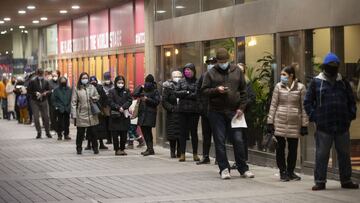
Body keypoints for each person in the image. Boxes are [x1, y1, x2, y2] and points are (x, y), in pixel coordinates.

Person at [304, 53, 359, 190]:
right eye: (331, 66)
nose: (333, 69)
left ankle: (346, 180)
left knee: (344, 154)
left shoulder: (343, 82)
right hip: (324, 126)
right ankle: (320, 181)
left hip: (342, 125)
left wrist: (350, 115)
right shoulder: (316, 82)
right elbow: (307, 102)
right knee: (322, 154)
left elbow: (351, 100)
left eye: (335, 67)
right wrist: (314, 117)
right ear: (325, 67)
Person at [201, 48, 254, 179]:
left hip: (234, 112)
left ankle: (243, 168)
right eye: (220, 61)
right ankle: (224, 168)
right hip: (216, 112)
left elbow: (244, 91)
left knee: (238, 140)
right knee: (219, 141)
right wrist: (216, 90)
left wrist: (242, 108)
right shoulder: (210, 73)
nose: (223, 63)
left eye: (225, 61)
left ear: (228, 60)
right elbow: (204, 91)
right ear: (217, 61)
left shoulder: (237, 71)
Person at [267, 65, 308, 181]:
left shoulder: (301, 88)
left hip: (294, 122)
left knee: (293, 149)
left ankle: (291, 172)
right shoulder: (278, 87)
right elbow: (273, 105)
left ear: (291, 76)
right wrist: (270, 122)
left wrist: (304, 124)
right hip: (279, 121)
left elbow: (304, 107)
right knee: (280, 148)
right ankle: (282, 171)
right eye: (281, 74)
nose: (281, 77)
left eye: (284, 75)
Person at [231, 63, 256, 169]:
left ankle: (242, 160)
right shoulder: (232, 83)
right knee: (236, 139)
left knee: (242, 139)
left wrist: (242, 107)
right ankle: (238, 160)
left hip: (244, 114)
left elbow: (251, 97)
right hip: (234, 114)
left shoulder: (247, 82)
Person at [175, 63, 200, 162]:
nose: (187, 72)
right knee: (182, 133)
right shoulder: (181, 81)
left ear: (193, 71)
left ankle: (195, 154)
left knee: (194, 132)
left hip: (194, 111)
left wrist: (185, 93)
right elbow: (176, 93)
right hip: (182, 110)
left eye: (189, 70)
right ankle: (182, 154)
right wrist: (187, 92)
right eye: (185, 70)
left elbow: (197, 95)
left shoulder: (197, 81)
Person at [71, 72, 100, 155]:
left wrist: (93, 98)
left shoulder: (92, 87)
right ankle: (79, 148)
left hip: (92, 113)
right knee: (80, 133)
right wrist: (74, 115)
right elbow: (73, 102)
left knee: (94, 132)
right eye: (83, 78)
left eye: (86, 78)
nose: (85, 79)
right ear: (80, 79)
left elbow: (97, 96)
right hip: (81, 114)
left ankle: (95, 148)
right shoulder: (77, 89)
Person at [133, 74, 160, 156]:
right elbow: (134, 94)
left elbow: (157, 102)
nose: (147, 84)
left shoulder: (155, 90)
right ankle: (149, 148)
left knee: (148, 132)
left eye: (149, 82)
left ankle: (150, 149)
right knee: (144, 132)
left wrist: (147, 99)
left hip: (150, 114)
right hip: (142, 113)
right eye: (146, 82)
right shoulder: (142, 89)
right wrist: (140, 87)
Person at [197, 57, 217, 165]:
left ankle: (219, 157)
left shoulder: (220, 76)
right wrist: (200, 107)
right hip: (205, 111)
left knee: (218, 135)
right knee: (206, 135)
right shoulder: (203, 76)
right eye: (209, 63)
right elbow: (198, 92)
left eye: (213, 63)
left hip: (217, 111)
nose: (211, 65)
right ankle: (205, 156)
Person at [108, 76, 132, 155]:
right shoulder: (112, 91)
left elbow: (129, 100)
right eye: (119, 82)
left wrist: (123, 107)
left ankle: (122, 148)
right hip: (115, 115)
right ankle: (117, 149)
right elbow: (110, 102)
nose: (120, 84)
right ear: (116, 83)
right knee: (115, 134)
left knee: (124, 134)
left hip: (124, 115)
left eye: (122, 83)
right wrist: (118, 107)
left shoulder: (127, 91)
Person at [162, 70, 183, 158]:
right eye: (175, 76)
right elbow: (164, 101)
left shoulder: (183, 86)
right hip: (172, 114)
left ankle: (180, 151)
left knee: (181, 133)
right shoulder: (168, 88)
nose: (177, 78)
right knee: (172, 134)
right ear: (172, 77)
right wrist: (171, 108)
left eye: (179, 76)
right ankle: (172, 151)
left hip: (182, 113)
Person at [27, 69, 52, 138]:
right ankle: (39, 132)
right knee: (36, 117)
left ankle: (47, 132)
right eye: (39, 74)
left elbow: (50, 90)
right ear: (37, 74)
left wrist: (45, 93)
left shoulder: (46, 81)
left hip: (44, 100)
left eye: (42, 74)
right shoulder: (32, 81)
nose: (41, 76)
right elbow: (28, 91)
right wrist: (35, 93)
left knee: (46, 117)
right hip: (35, 101)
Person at [102, 71, 114, 144]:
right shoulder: (102, 86)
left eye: (108, 78)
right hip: (106, 108)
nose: (107, 80)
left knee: (112, 124)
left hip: (112, 107)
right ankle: (109, 138)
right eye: (106, 78)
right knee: (107, 124)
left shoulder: (114, 86)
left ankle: (113, 137)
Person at [48, 70, 60, 135]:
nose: (54, 77)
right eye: (53, 76)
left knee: (59, 116)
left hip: (59, 102)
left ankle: (59, 129)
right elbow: (47, 91)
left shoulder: (60, 81)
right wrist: (51, 91)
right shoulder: (49, 82)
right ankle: (53, 129)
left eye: (55, 75)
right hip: (51, 102)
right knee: (53, 116)